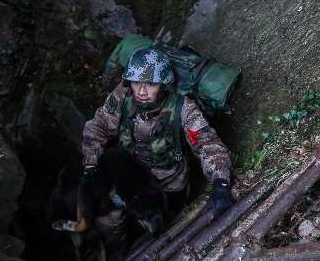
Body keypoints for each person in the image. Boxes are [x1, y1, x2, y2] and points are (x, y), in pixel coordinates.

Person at [81, 47, 234, 229]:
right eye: (137, 82)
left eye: (151, 84)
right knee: (108, 219)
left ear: (163, 85)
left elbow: (207, 144)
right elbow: (99, 125)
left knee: (161, 224)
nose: (142, 91)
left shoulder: (183, 108)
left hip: (168, 186)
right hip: (132, 179)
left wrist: (220, 182)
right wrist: (90, 165)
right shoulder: (123, 95)